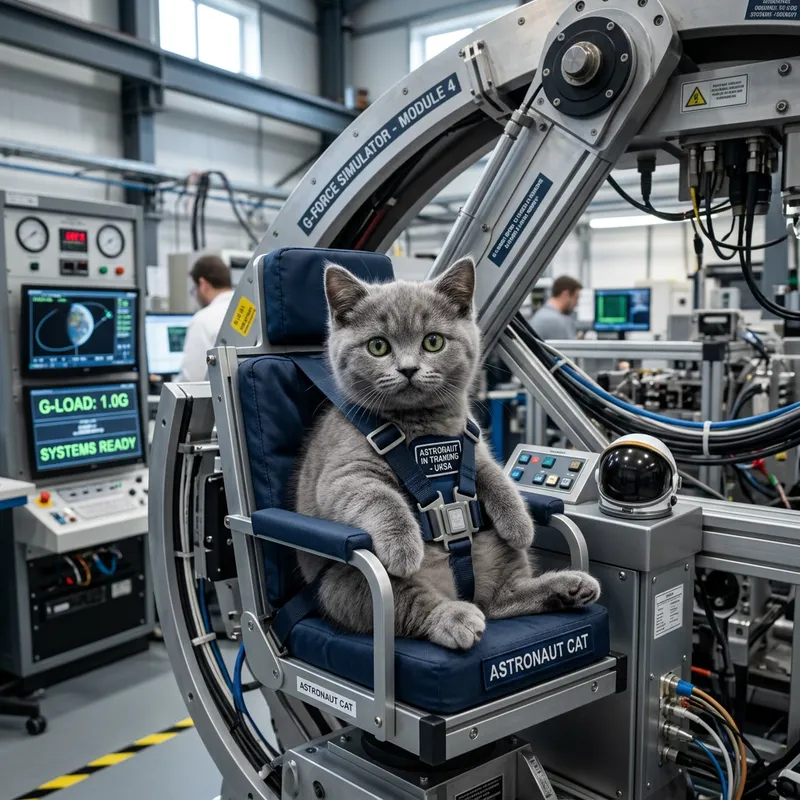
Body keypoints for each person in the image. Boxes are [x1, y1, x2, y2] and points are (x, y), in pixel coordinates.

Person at [177, 255, 234, 382]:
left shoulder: (203, 320)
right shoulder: (251, 309)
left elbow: (192, 379)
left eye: (194, 289)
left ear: (202, 284)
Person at [529, 275, 582, 339]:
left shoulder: (543, 313)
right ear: (565, 294)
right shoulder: (554, 320)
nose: (576, 303)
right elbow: (567, 345)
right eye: (576, 298)